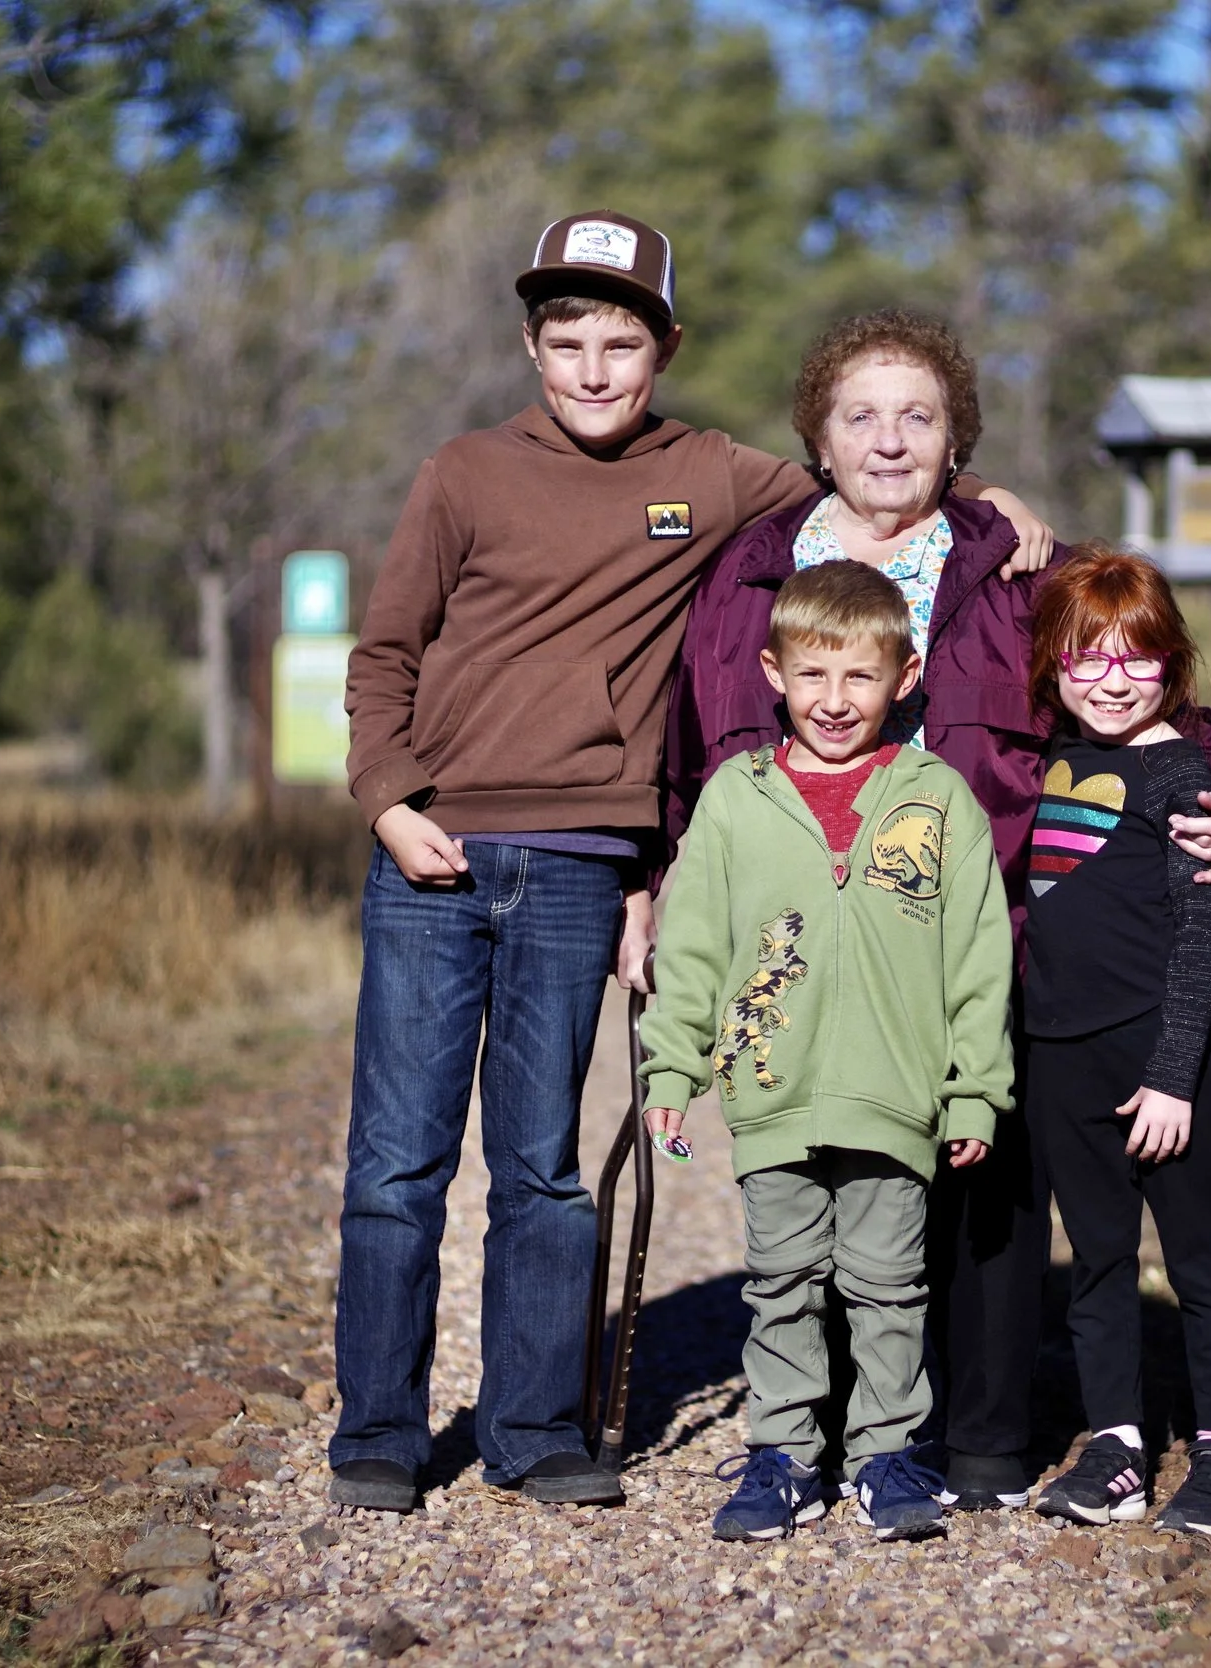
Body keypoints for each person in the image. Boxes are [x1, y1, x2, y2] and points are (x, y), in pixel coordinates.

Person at [330, 214, 1052, 1513]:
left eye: (620, 342)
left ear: (665, 347)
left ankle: (537, 1427)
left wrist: (994, 502)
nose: (593, 369)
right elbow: (385, 653)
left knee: (544, 1167)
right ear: (533, 347)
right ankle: (377, 1429)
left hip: (582, 862)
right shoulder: (461, 474)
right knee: (397, 1164)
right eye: (566, 343)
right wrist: (386, 799)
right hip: (433, 852)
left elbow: (872, 487)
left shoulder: (715, 479)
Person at [663, 309, 1211, 1512]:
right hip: (798, 942)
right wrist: (661, 893)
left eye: (920, 416)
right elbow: (691, 750)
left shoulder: (1013, 569)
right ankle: (825, 1431)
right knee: (824, 1167)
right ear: (817, 436)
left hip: (984, 928)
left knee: (981, 1179)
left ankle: (980, 1436)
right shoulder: (746, 574)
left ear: (957, 441)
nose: (890, 440)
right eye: (862, 415)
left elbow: (1147, 713)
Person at [640, 562, 1015, 1543]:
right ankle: (784, 1456)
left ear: (904, 675)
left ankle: (887, 1455)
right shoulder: (735, 799)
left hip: (895, 1095)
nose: (835, 700)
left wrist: (974, 1092)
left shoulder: (936, 798)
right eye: (813, 676)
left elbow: (979, 955)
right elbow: (692, 951)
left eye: (859, 676)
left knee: (889, 1287)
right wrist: (671, 1071)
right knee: (781, 1285)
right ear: (771, 673)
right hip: (773, 1093)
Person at [1019, 546, 1211, 1537]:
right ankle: (1116, 1443)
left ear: (1172, 661)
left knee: (1199, 1256)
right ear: (1053, 665)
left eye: (1136, 658)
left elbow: (1198, 939)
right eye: (1087, 659)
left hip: (1156, 1060)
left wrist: (1170, 1076)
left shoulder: (1184, 776)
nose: (1111, 681)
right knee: (1096, 1260)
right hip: (1055, 1053)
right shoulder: (1043, 760)